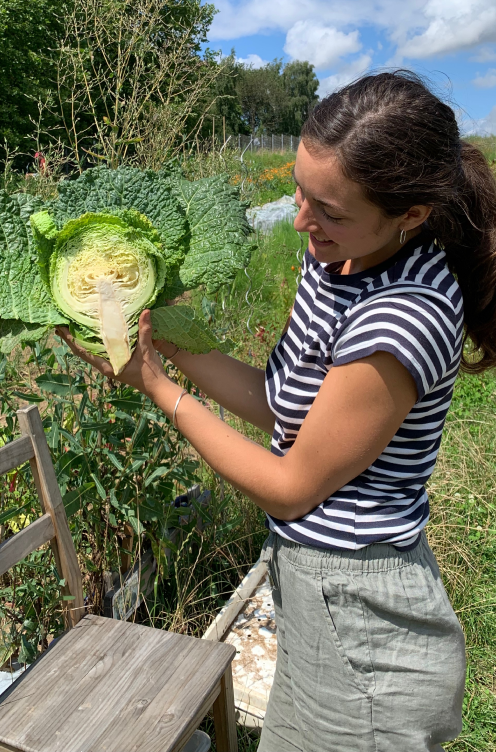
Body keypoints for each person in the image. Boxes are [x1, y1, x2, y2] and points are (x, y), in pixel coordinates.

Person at [56, 70, 496, 751]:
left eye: (330, 210)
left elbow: (292, 487)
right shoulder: (339, 260)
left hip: (364, 622)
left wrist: (159, 388)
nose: (299, 220)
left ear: (410, 214)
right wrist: (163, 341)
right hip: (312, 594)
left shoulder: (406, 315)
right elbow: (282, 407)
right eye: (300, 190)